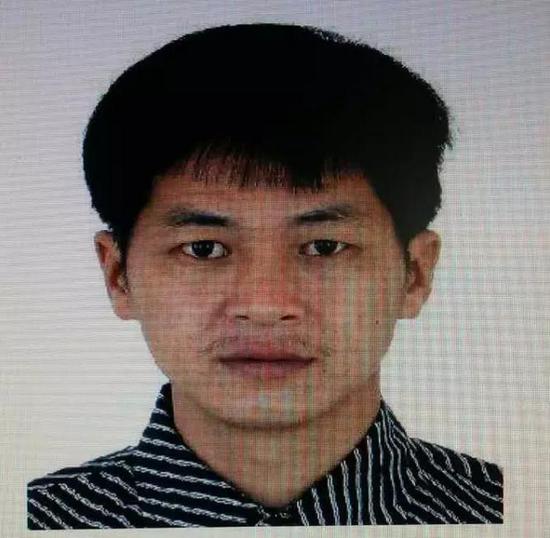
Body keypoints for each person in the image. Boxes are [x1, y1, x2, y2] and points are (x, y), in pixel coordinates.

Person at [27, 23, 503, 529]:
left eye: (324, 246)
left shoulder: (504, 508)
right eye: (204, 249)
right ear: (118, 275)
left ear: (414, 274)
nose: (265, 304)